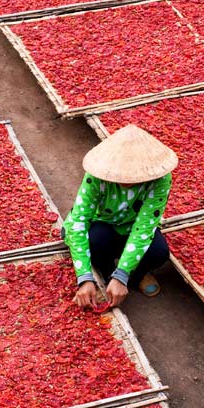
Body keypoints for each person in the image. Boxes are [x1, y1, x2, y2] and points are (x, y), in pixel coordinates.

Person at [65, 124, 177, 309]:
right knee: (95, 241)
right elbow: (79, 222)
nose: (126, 181)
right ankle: (107, 273)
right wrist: (84, 277)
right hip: (102, 225)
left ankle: (132, 277)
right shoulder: (97, 176)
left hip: (134, 227)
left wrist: (123, 274)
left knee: (159, 252)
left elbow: (144, 228)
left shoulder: (160, 180)